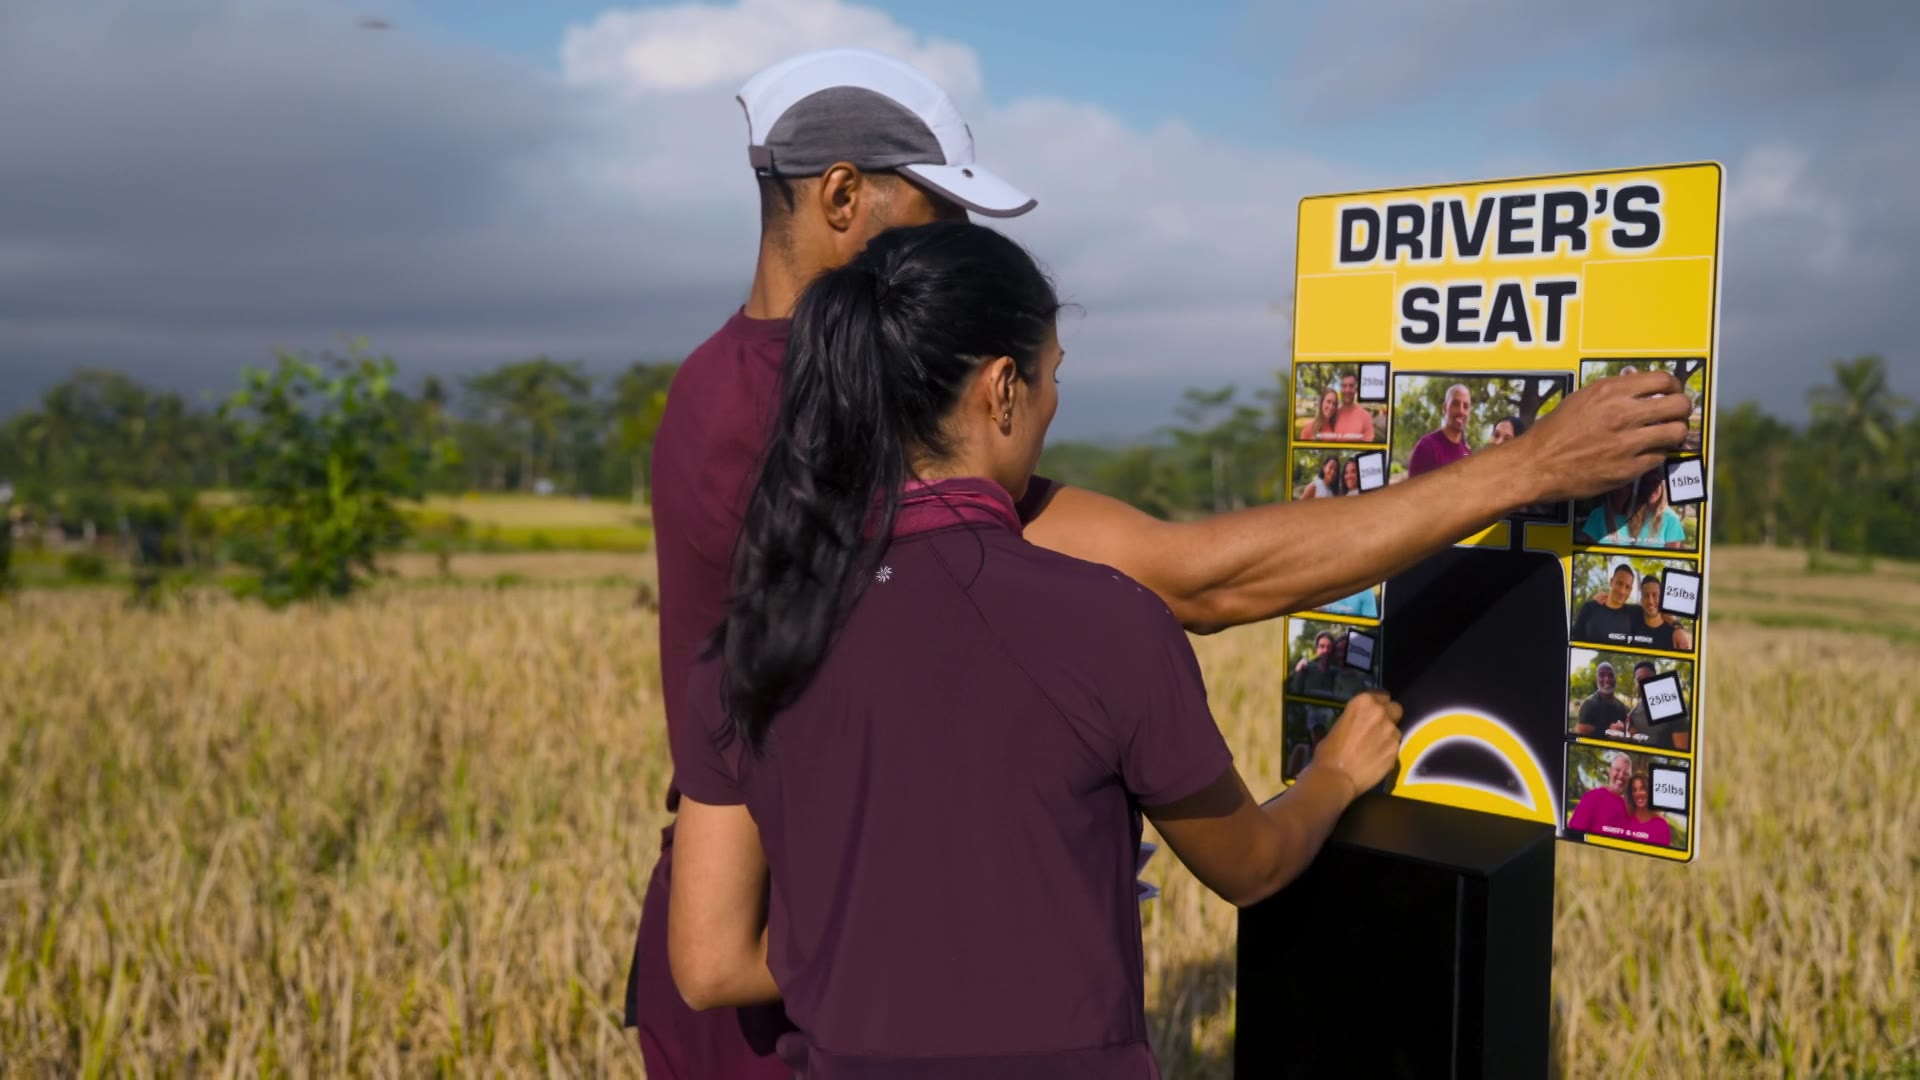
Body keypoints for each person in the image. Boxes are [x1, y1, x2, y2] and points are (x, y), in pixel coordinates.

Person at [626, 46, 1695, 1077]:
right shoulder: (813, 419)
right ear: (842, 196)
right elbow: (1194, 578)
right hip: (800, 998)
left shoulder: (719, 385)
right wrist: (1527, 469)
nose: (952, 251)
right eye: (940, 217)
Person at [665, 219, 1409, 1074]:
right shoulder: (1110, 620)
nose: (1053, 404)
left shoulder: (750, 643)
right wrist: (1333, 776)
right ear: (1002, 389)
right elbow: (1252, 867)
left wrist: (885, 928)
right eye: (1052, 375)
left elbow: (710, 965)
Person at [1407, 383, 1474, 477]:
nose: (1461, 411)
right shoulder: (1427, 447)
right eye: (1455, 404)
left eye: (1466, 406)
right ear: (1445, 408)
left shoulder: (1466, 452)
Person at [1571, 562, 1639, 645]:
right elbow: (1575, 639)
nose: (1622, 591)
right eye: (1619, 583)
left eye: (1627, 587)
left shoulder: (1634, 613)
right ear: (1611, 581)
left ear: (1631, 590)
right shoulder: (1590, 607)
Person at [1567, 751, 1632, 834]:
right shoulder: (1593, 797)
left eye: (1626, 773)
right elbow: (1574, 832)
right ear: (1610, 771)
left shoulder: (1629, 807)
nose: (1621, 775)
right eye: (1617, 770)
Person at [1632, 572, 1693, 652]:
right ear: (1641, 600)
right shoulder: (1631, 626)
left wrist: (1678, 629)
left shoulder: (1674, 636)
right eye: (1646, 595)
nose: (1650, 601)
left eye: (1655, 595)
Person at [1573, 661, 1628, 737]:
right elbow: (1580, 730)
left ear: (1615, 679)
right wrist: (1609, 732)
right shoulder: (1589, 704)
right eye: (1602, 675)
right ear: (1597, 680)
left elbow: (1625, 730)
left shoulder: (1621, 707)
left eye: (1610, 675)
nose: (1607, 679)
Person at [1622, 773, 1674, 847]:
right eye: (1634, 790)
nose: (1638, 794)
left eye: (1642, 789)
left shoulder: (1661, 825)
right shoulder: (1625, 819)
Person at [1331, 370, 1377, 440]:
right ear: (1340, 388)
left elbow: (1369, 445)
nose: (1347, 390)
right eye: (1344, 386)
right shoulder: (1333, 415)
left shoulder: (1365, 417)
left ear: (1356, 389)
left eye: (1351, 386)